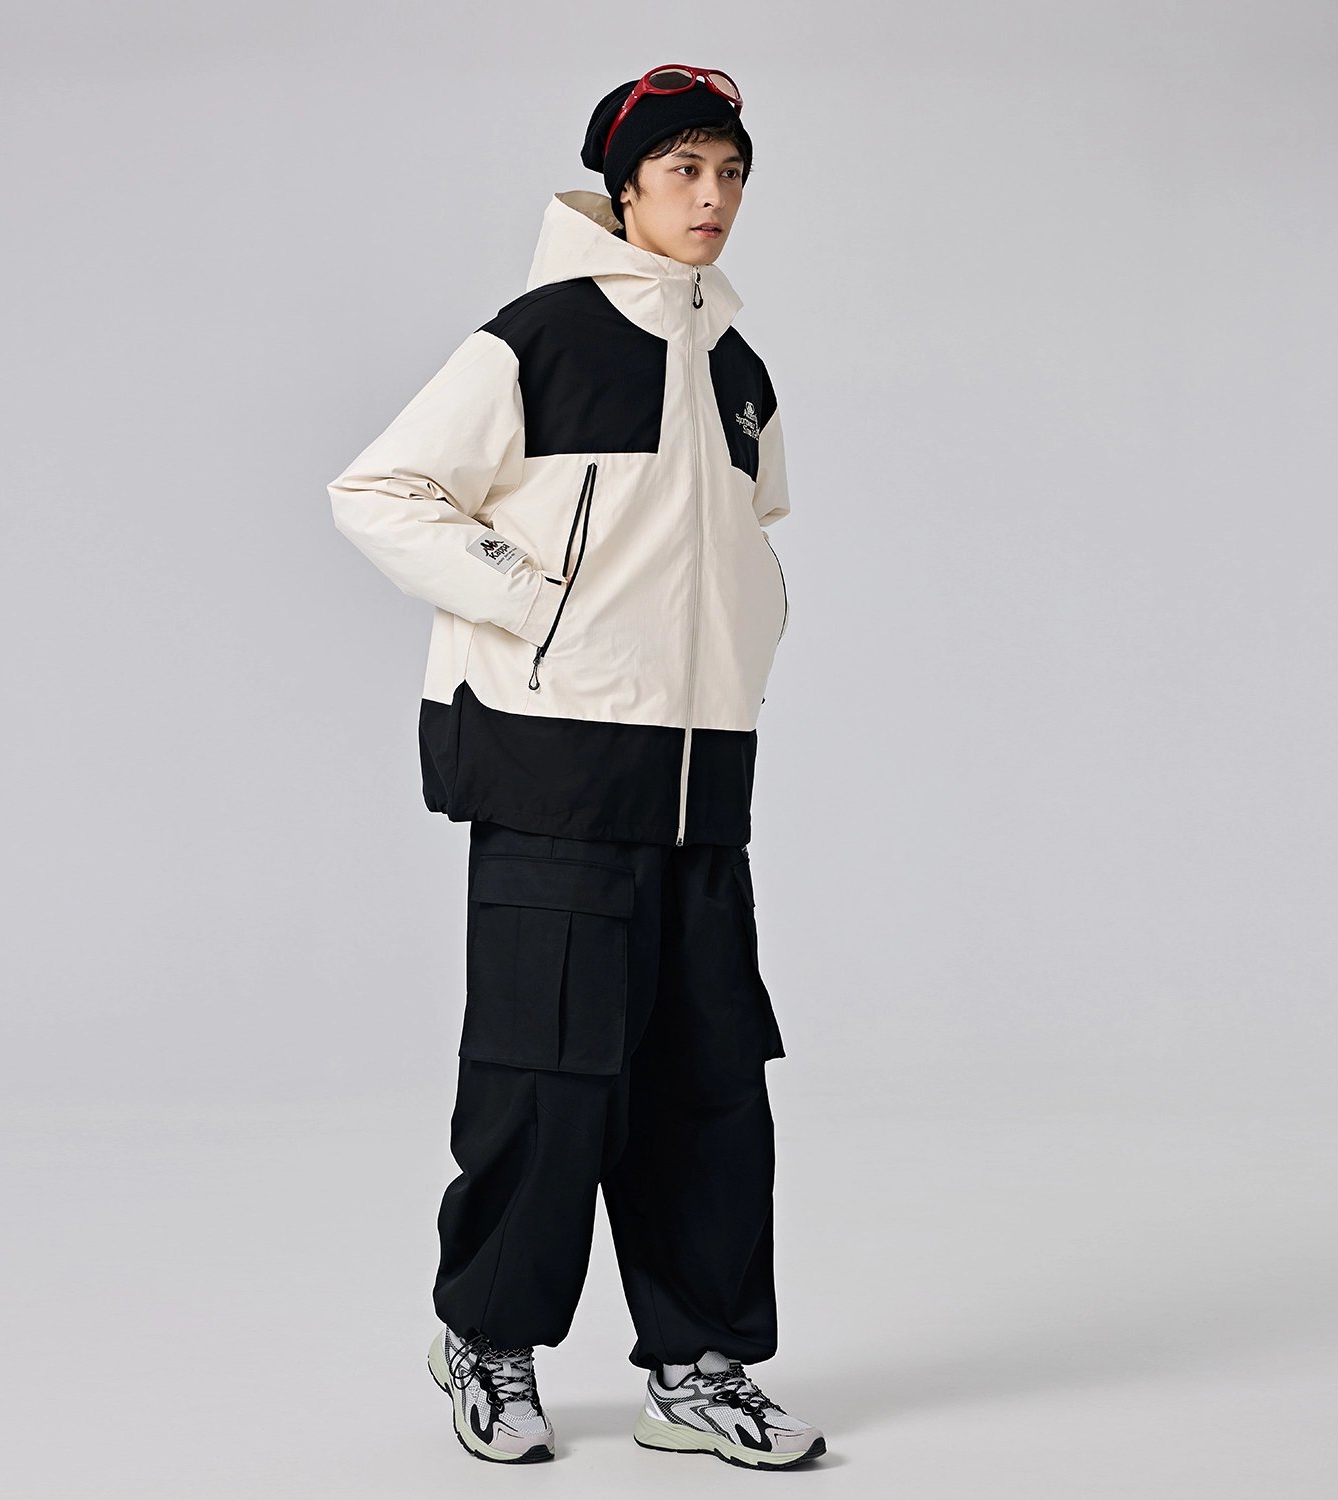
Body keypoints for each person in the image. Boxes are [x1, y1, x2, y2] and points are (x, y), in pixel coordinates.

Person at [329, 66, 823, 1471]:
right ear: (625, 187)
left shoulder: (736, 365)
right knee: (546, 1075)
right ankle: (488, 1341)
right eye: (684, 171)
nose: (713, 198)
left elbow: (744, 540)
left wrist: (755, 632)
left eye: (731, 173)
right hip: (554, 763)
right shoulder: (539, 335)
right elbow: (381, 489)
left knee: (708, 1081)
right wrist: (530, 597)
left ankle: (699, 1366)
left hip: (699, 778)